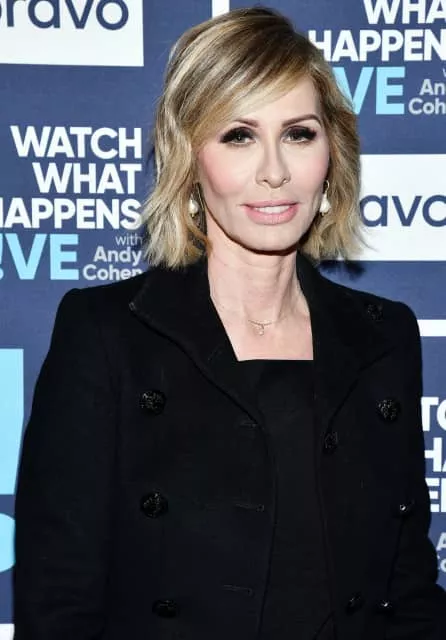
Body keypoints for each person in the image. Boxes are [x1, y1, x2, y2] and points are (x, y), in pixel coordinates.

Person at [13, 7, 445, 640]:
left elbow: (407, 590)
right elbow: (57, 602)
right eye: (239, 135)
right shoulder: (108, 335)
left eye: (299, 134)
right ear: (190, 158)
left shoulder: (385, 338)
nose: (274, 170)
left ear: (332, 153)